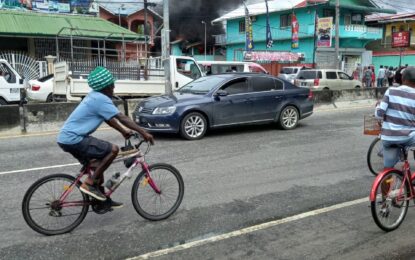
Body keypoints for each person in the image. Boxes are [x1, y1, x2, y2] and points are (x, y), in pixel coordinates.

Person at [57, 66, 154, 207]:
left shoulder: (94, 96)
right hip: (75, 139)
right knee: (113, 150)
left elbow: (109, 118)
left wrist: (122, 131)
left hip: (66, 140)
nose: (113, 88)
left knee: (98, 166)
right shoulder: (100, 99)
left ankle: (101, 201)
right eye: (112, 85)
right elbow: (122, 117)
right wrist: (144, 133)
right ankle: (89, 183)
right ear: (106, 87)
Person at [375, 66, 415, 169]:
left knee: (387, 168)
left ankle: (386, 176)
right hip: (409, 137)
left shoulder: (391, 91)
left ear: (403, 79)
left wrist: (378, 106)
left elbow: (379, 114)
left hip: (388, 137)